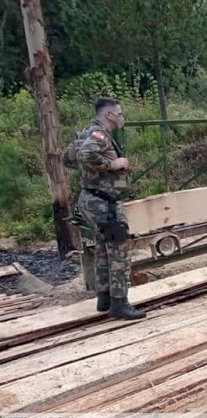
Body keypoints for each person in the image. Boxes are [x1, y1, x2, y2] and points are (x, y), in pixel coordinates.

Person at [70, 97, 145, 320]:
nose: (121, 117)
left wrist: (93, 173)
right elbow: (85, 155)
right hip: (105, 204)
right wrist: (113, 164)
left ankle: (104, 298)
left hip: (90, 200)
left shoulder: (85, 132)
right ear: (109, 115)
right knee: (119, 252)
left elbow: (69, 158)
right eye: (119, 113)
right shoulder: (99, 135)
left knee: (103, 249)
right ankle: (120, 304)